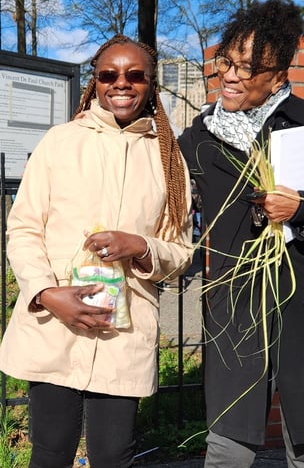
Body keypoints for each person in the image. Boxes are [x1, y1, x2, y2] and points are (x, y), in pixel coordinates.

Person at [178, 0, 304, 468]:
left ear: (279, 75)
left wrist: (302, 207)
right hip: (237, 303)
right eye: (226, 61)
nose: (230, 75)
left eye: (248, 68)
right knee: (228, 442)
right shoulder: (197, 140)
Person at [0, 34, 193, 468]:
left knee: (112, 455)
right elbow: (24, 227)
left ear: (150, 83)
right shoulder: (60, 142)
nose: (120, 83)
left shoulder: (167, 157)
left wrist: (141, 246)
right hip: (56, 323)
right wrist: (47, 294)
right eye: (109, 74)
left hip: (121, 330)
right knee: (50, 452)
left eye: (134, 74)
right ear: (95, 81)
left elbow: (180, 251)